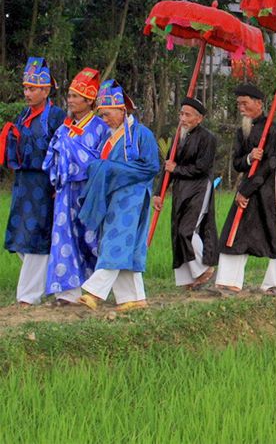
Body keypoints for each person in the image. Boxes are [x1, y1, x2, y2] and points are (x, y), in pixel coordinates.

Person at [78, 80, 160, 311]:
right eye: (101, 115)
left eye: (107, 114)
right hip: (113, 198)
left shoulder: (142, 134)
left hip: (133, 198)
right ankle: (134, 298)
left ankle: (94, 293)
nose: (104, 120)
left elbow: (151, 167)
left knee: (115, 241)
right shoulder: (109, 137)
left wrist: (112, 169)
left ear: (122, 110)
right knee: (125, 245)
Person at [2, 57, 66, 306]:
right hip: (23, 183)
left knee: (36, 238)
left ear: (46, 90)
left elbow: (64, 151)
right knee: (19, 236)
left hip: (44, 184)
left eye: (32, 89)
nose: (27, 93)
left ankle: (28, 297)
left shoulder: (56, 116)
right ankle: (50, 283)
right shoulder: (23, 114)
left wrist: (58, 183)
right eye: (26, 88)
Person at [43, 67, 108, 305]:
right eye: (69, 96)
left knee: (89, 238)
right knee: (63, 239)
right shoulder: (63, 129)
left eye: (75, 97)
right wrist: (57, 180)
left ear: (89, 101)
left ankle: (91, 288)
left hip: (88, 191)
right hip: (64, 192)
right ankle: (66, 293)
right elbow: (51, 158)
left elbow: (103, 160)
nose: (70, 101)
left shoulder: (100, 127)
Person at [217, 83, 276, 292]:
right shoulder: (242, 130)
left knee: (273, 231)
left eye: (244, 103)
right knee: (235, 228)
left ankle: (275, 283)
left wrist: (245, 191)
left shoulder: (272, 130)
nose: (241, 108)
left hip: (268, 187)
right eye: (238, 104)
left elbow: (270, 164)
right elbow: (237, 163)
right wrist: (249, 157)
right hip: (248, 184)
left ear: (258, 103)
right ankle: (228, 281)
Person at [153, 97, 218, 289]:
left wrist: (177, 169)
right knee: (177, 232)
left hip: (199, 188)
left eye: (187, 115)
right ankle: (187, 279)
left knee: (187, 230)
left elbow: (202, 167)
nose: (182, 119)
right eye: (181, 114)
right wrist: (159, 193)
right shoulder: (178, 138)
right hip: (181, 190)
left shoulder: (208, 138)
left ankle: (205, 269)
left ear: (199, 118)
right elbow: (168, 168)